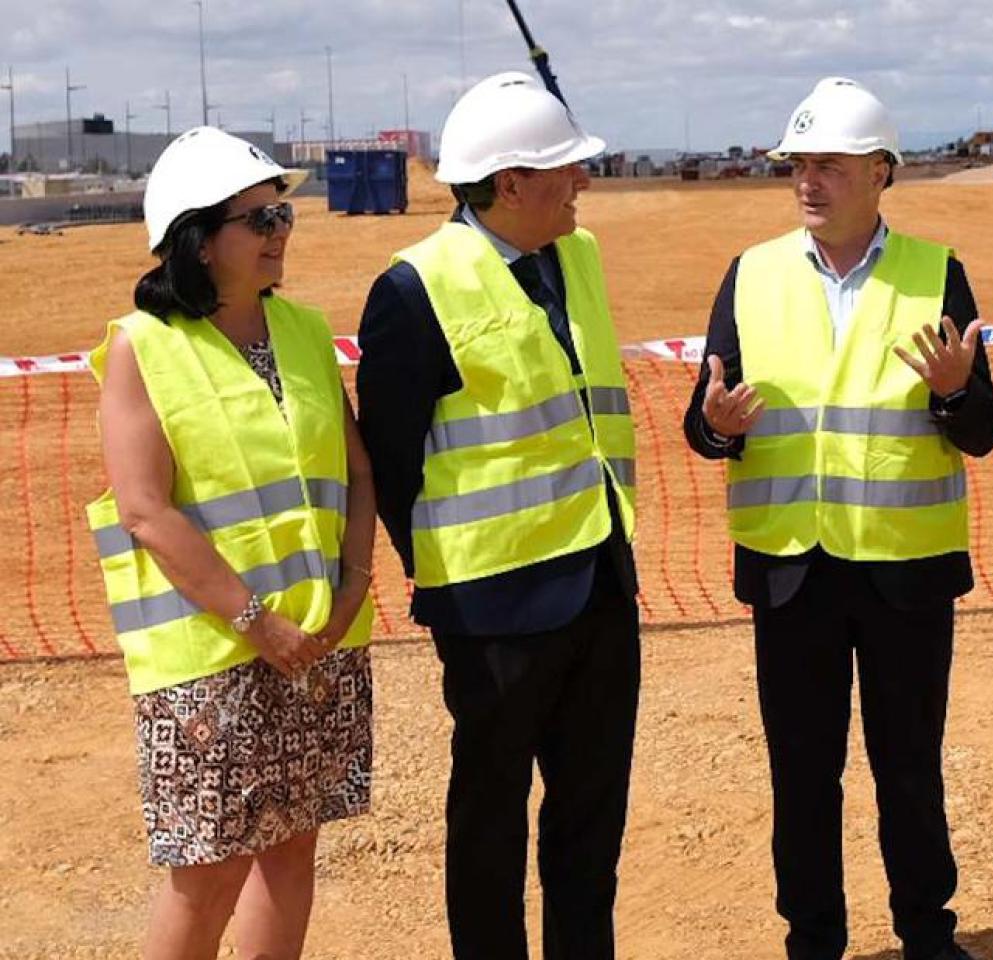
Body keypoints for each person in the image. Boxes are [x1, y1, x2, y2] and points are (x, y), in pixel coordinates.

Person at [682, 77, 993, 960]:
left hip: (904, 568)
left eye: (828, 165)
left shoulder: (938, 274)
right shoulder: (751, 275)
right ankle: (812, 941)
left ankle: (926, 935)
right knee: (803, 775)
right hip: (792, 573)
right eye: (798, 165)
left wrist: (952, 397)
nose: (808, 182)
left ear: (880, 173)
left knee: (909, 768)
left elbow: (981, 432)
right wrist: (716, 428)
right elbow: (702, 417)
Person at [355, 72, 639, 960]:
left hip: (598, 578)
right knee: (490, 818)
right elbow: (393, 465)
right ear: (509, 183)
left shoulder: (577, 256)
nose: (581, 183)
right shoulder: (413, 291)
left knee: (590, 817)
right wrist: (448, 571)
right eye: (563, 170)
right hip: (491, 611)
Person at [87, 126, 375, 960]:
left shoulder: (308, 333)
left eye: (284, 215)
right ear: (199, 241)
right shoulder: (144, 349)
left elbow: (355, 469)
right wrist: (259, 623)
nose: (281, 233)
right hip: (211, 662)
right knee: (209, 873)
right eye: (260, 220)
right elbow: (145, 510)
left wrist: (352, 586)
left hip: (319, 641)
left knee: (292, 849)